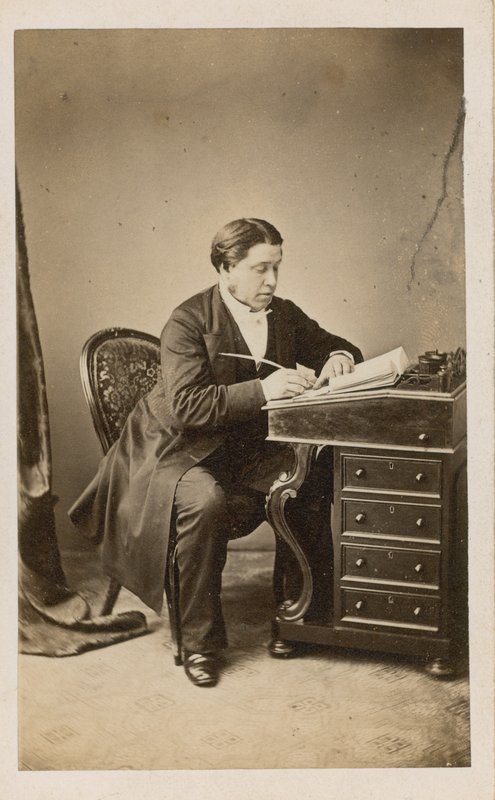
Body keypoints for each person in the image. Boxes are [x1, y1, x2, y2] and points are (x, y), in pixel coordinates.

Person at [69, 218, 362, 687]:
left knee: (307, 474)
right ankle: (199, 646)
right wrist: (265, 389)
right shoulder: (187, 321)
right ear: (226, 269)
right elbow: (187, 407)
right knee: (205, 502)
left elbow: (334, 344)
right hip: (172, 451)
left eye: (277, 267)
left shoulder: (282, 313)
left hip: (238, 449)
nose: (272, 280)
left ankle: (300, 615)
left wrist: (339, 357)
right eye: (260, 268)